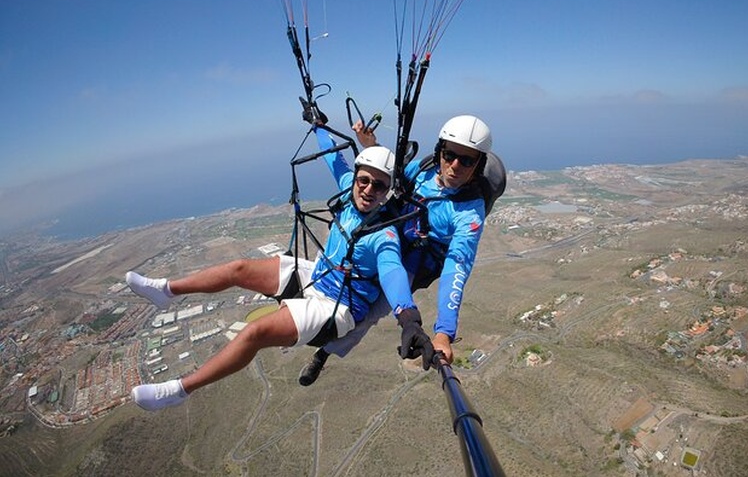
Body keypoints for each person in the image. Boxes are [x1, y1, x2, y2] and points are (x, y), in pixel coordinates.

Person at [127, 137, 434, 412]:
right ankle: (166, 291)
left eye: (379, 186)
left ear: (387, 191)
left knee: (254, 333)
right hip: (316, 274)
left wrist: (409, 320)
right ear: (355, 179)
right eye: (364, 180)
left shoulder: (385, 238)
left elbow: (393, 274)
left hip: (336, 308)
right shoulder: (347, 195)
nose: (368, 189)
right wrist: (319, 125)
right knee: (239, 269)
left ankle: (181, 390)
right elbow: (333, 158)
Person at [298, 114, 495, 386]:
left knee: (370, 313)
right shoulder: (424, 169)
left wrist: (444, 333)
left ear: (479, 164)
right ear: (440, 152)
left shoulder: (469, 212)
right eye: (449, 155)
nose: (455, 166)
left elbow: (457, 266)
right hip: (383, 232)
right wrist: (341, 136)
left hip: (413, 260)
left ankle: (324, 354)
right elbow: (386, 177)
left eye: (467, 160)